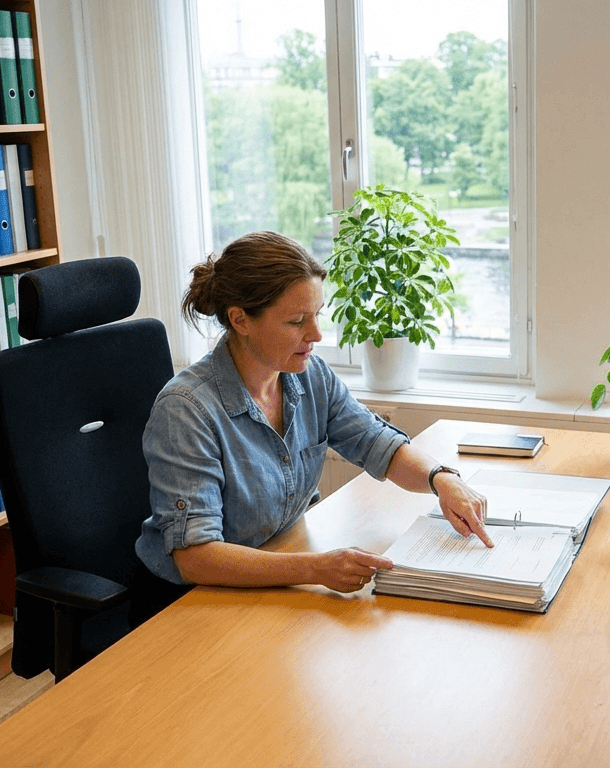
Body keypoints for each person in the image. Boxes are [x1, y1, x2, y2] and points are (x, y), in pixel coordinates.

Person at [133, 231, 491, 623]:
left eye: (317, 314)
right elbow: (195, 558)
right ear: (240, 319)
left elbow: (376, 442)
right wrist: (315, 568)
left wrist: (442, 479)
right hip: (193, 602)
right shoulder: (186, 410)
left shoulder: (309, 375)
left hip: (278, 570)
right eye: (296, 321)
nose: (316, 334)